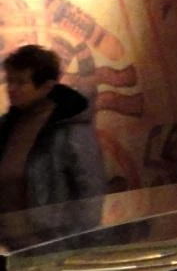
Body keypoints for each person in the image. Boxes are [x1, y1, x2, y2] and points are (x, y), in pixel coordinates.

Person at [0, 45, 105, 245]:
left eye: (21, 82)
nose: (11, 89)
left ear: (47, 86)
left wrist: (74, 242)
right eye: (10, 81)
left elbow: (90, 190)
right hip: (11, 244)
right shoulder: (8, 126)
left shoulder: (70, 128)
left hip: (53, 244)